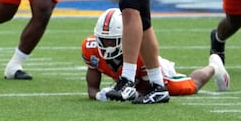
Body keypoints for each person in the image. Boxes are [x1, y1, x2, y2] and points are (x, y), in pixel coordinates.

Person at [83, 8, 230, 101]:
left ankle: (214, 66)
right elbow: (92, 88)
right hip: (134, 78)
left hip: (156, 72)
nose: (107, 46)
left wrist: (129, 93)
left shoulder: (140, 55)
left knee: (190, 86)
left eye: (112, 41)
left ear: (126, 38)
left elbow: (147, 89)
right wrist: (98, 95)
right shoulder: (91, 49)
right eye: (104, 40)